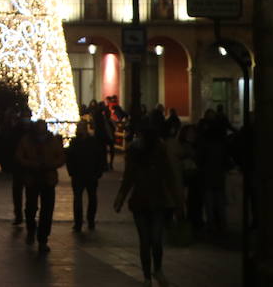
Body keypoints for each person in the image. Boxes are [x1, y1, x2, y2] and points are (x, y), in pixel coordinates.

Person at [114, 117, 184, 284]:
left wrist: (121, 197)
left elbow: (129, 178)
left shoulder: (151, 151)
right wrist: (177, 201)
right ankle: (152, 273)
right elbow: (167, 178)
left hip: (148, 201)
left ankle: (152, 273)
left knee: (149, 240)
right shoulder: (149, 151)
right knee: (151, 240)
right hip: (150, 201)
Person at [15, 119, 65, 252]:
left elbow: (60, 157)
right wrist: (31, 164)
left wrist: (50, 165)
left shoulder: (52, 140)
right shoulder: (27, 140)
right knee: (31, 208)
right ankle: (32, 230)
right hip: (33, 178)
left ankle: (43, 238)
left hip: (48, 179)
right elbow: (20, 156)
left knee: (47, 211)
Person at [66, 120, 107, 231]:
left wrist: (98, 171)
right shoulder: (76, 142)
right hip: (80, 174)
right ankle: (79, 222)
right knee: (80, 198)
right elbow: (70, 158)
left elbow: (99, 157)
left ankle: (89, 220)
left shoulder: (90, 142)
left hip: (89, 174)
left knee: (90, 198)